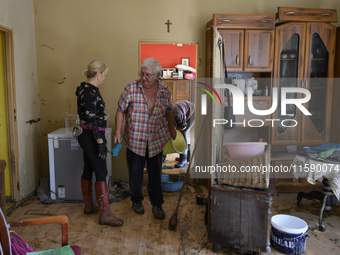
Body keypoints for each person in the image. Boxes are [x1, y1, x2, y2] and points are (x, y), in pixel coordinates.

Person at [114, 58, 176, 220]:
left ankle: (157, 204)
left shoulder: (164, 90)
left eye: (148, 75)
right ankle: (137, 201)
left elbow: (169, 111)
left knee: (156, 174)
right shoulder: (131, 89)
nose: (144, 78)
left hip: (156, 139)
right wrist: (117, 132)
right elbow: (120, 110)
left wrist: (172, 129)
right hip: (135, 139)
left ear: (157, 75)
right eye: (142, 74)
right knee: (135, 173)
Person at [76, 60, 123, 227]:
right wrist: (100, 142)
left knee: (88, 169)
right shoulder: (90, 92)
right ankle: (105, 215)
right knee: (102, 171)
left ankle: (89, 206)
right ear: (98, 74)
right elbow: (91, 119)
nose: (104, 78)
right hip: (91, 136)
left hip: (87, 135)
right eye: (104, 75)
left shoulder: (84, 89)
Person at [172, 100, 195, 168]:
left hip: (193, 112)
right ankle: (188, 155)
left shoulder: (177, 113)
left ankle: (183, 159)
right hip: (183, 109)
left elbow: (183, 127)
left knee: (182, 133)